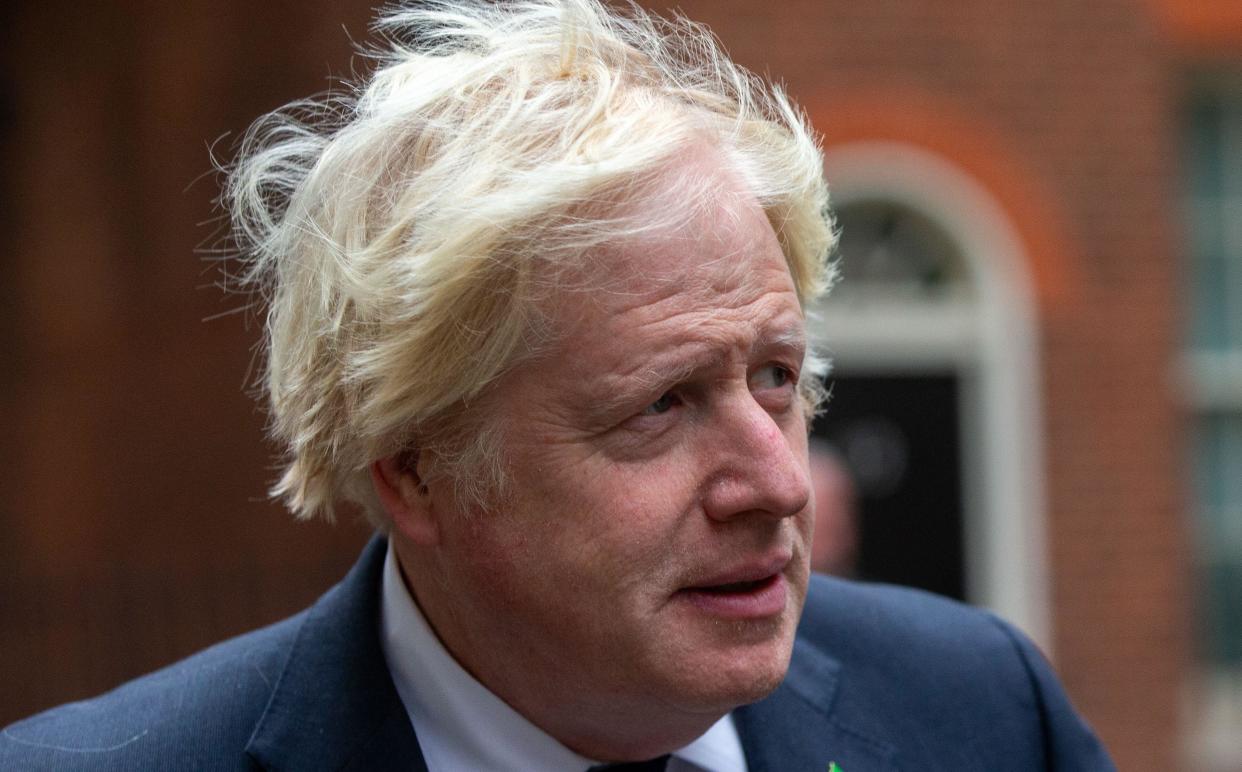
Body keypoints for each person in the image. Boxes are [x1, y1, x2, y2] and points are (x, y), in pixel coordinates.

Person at [1, 1, 1115, 769]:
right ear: (417, 470)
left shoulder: (980, 711)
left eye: (776, 376)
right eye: (661, 405)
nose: (779, 482)